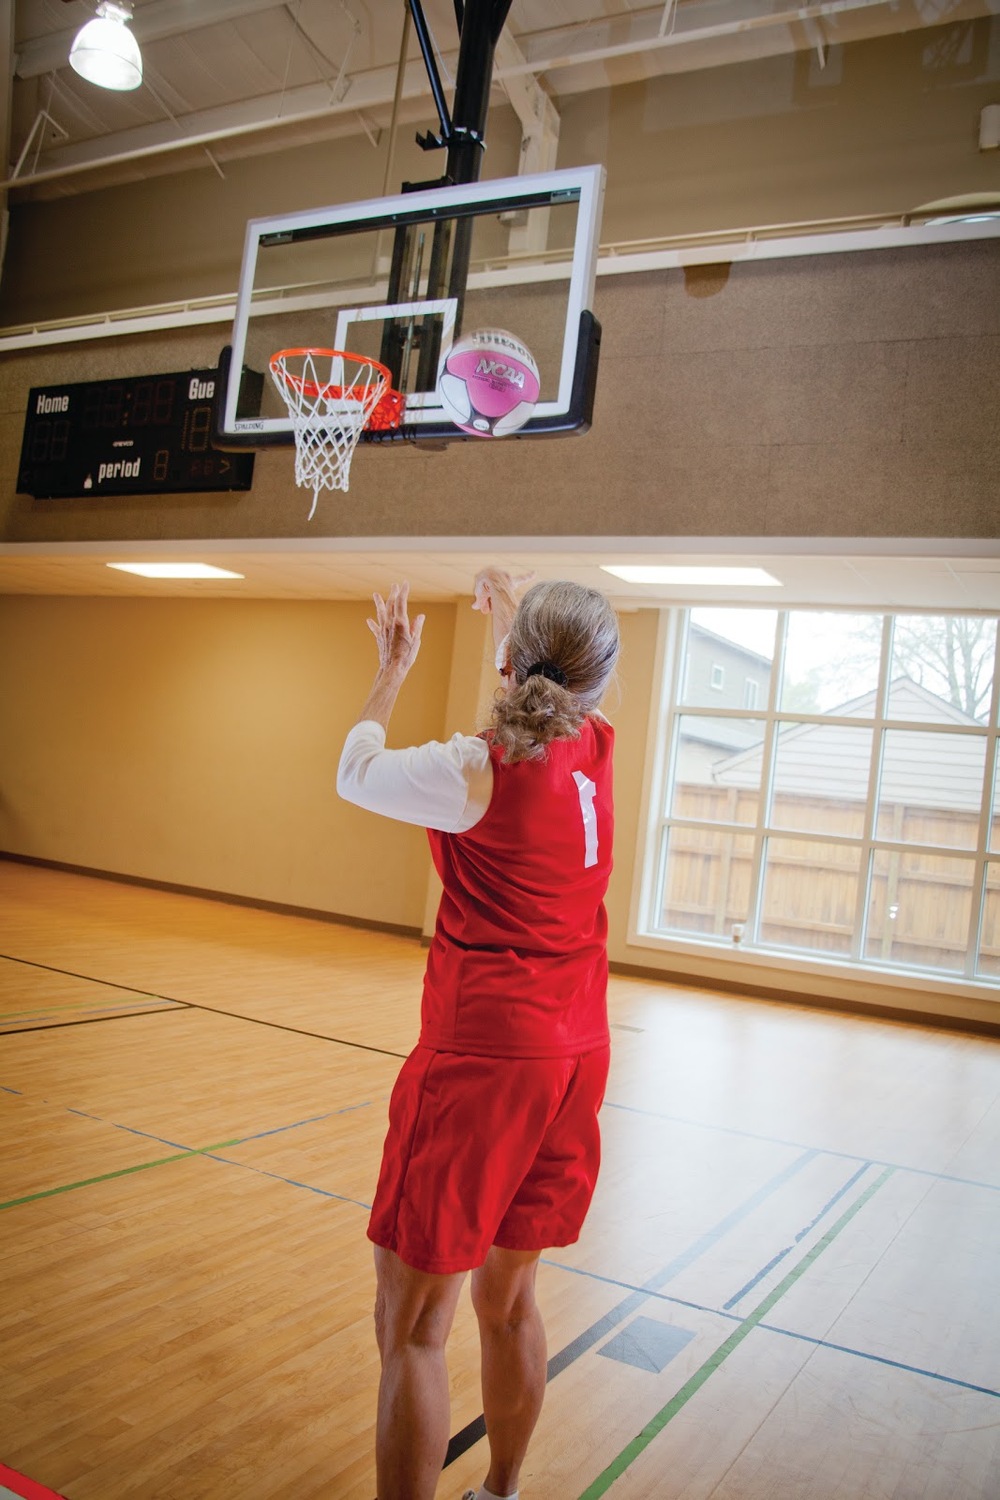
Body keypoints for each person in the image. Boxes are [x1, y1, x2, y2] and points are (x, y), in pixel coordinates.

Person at [337, 566, 620, 1500]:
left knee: (414, 1326)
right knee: (509, 1301)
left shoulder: (471, 770)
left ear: (507, 661)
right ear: (596, 686)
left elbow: (355, 771)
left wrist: (391, 666)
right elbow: (544, 698)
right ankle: (498, 1492)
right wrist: (514, 612)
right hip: (576, 1058)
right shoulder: (600, 752)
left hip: (485, 1061)